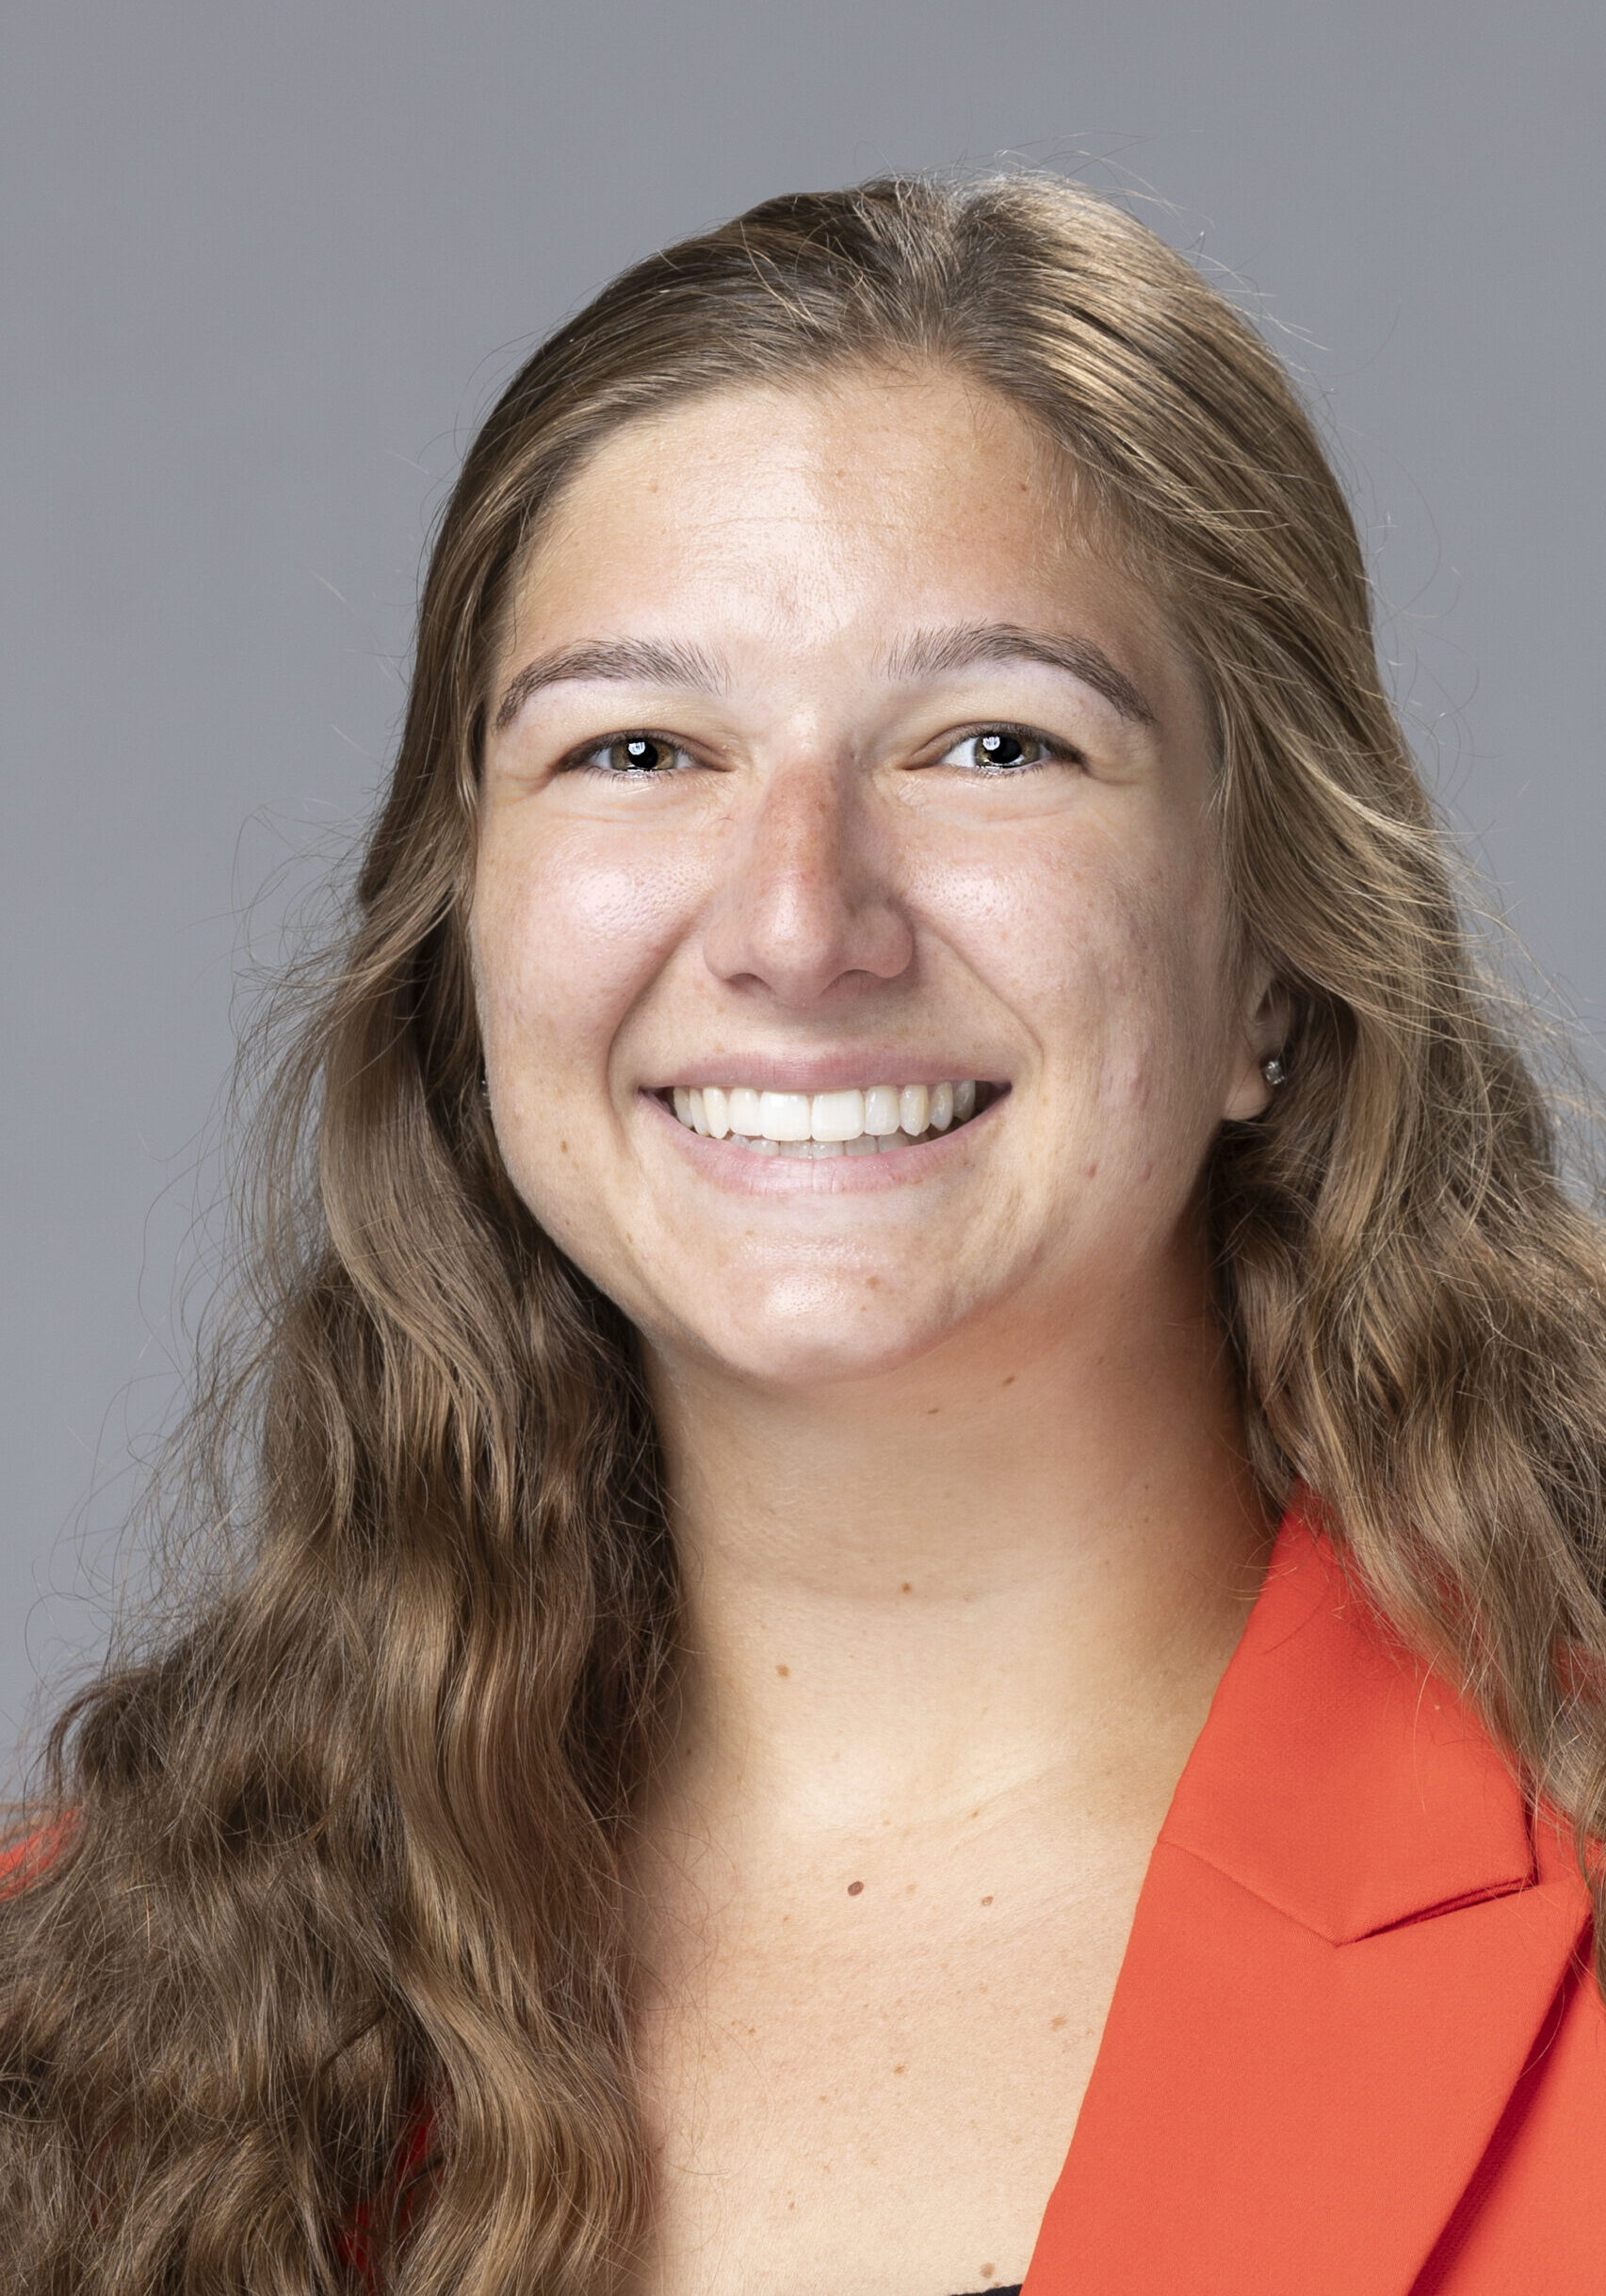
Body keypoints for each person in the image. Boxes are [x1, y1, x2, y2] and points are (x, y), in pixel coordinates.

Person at [4, 171, 1604, 2296]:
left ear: (1273, 961)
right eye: (638, 748)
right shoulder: (61, 2021)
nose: (795, 920)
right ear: (467, 957)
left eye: (993, 742)